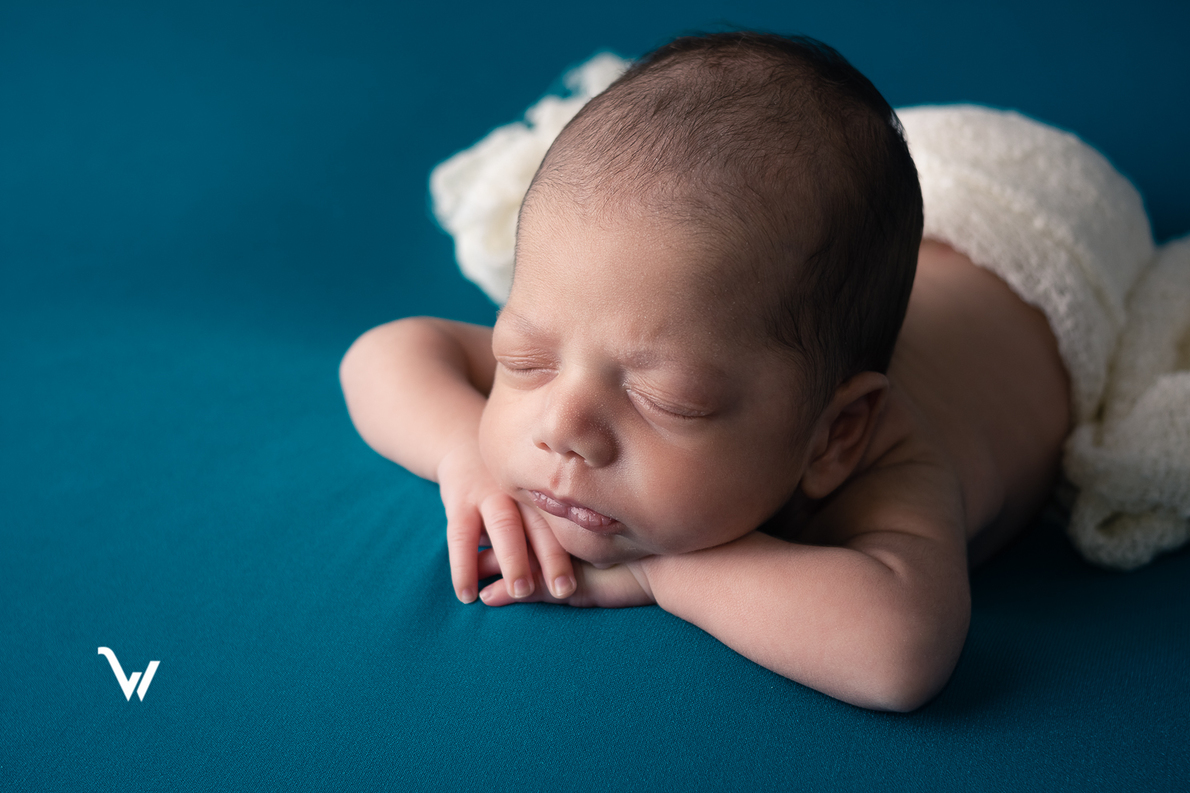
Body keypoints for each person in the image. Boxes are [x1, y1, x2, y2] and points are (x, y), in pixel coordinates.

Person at [340, 32, 1083, 712]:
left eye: (665, 400)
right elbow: (385, 352)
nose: (561, 428)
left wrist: (663, 573)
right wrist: (461, 454)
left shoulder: (888, 462)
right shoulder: (621, 336)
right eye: (522, 360)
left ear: (834, 436)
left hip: (1045, 243)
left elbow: (900, 654)